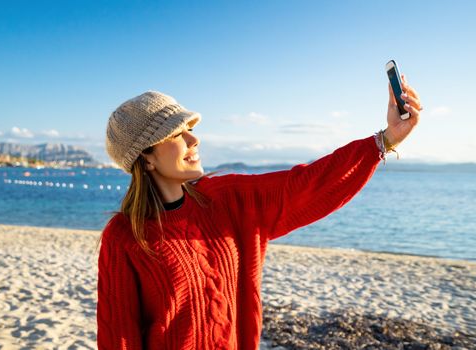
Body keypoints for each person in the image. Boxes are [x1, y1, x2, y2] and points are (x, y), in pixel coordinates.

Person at [96, 75, 422, 349]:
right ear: (146, 158)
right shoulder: (126, 236)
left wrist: (385, 140)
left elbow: (308, 184)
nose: (193, 139)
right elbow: (118, 339)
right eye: (176, 133)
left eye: (190, 128)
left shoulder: (227, 199)